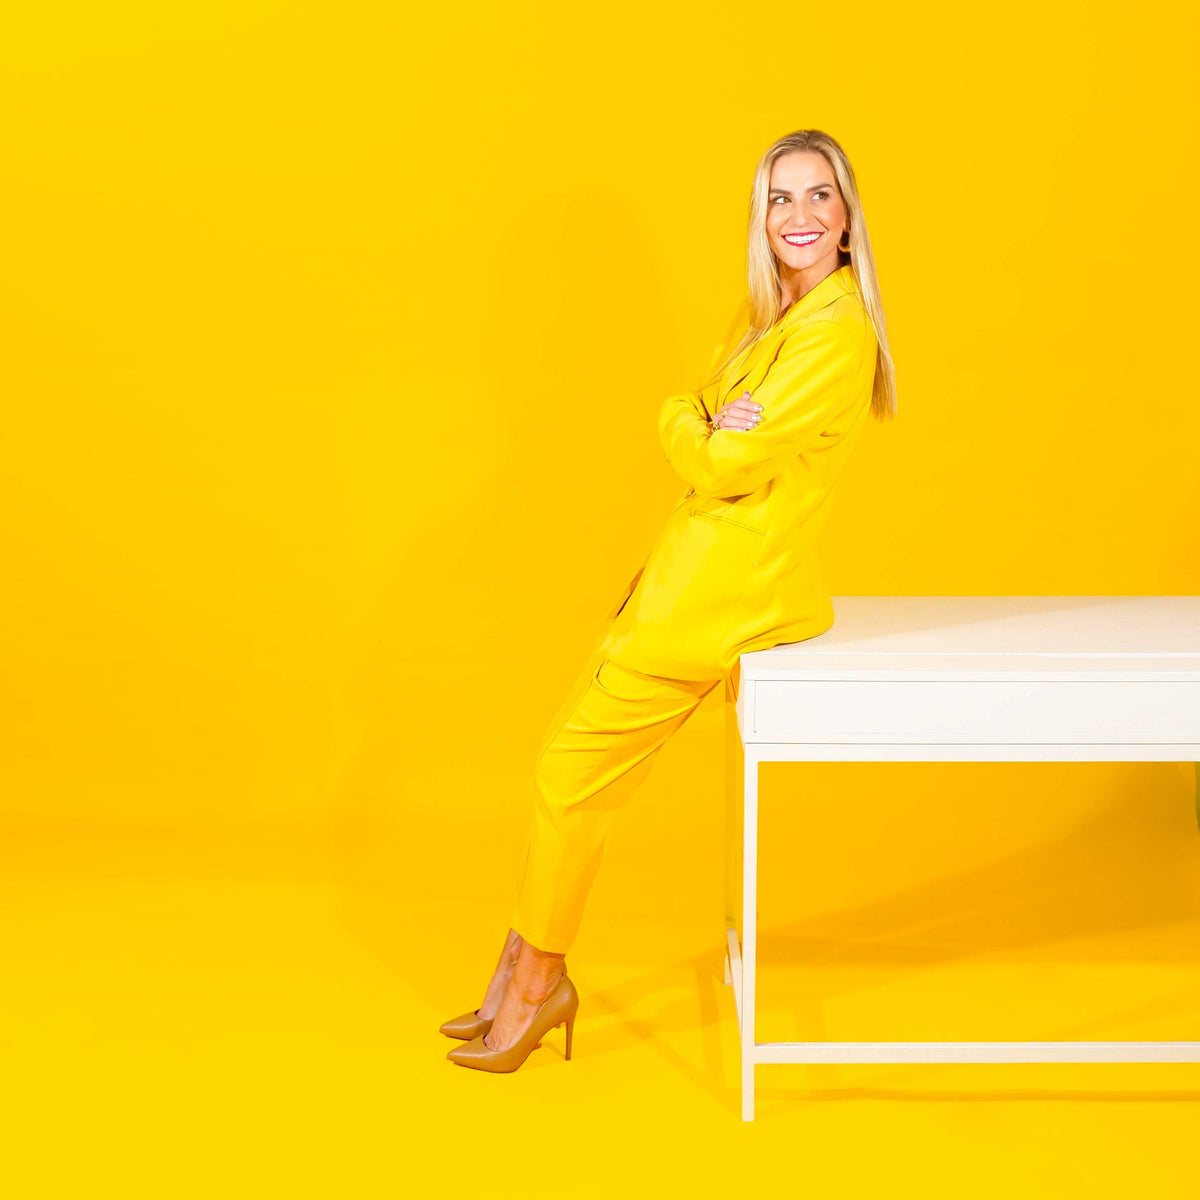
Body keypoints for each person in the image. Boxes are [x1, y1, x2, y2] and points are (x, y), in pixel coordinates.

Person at [442, 128, 897, 1073]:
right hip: (692, 583)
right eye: (780, 198)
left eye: (819, 197)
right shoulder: (772, 317)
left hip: (721, 600)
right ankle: (521, 962)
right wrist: (692, 417)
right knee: (565, 770)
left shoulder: (835, 334)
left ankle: (535, 982)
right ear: (760, 218)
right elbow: (699, 409)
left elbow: (720, 454)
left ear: (849, 216)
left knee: (570, 776)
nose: (799, 217)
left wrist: (679, 423)